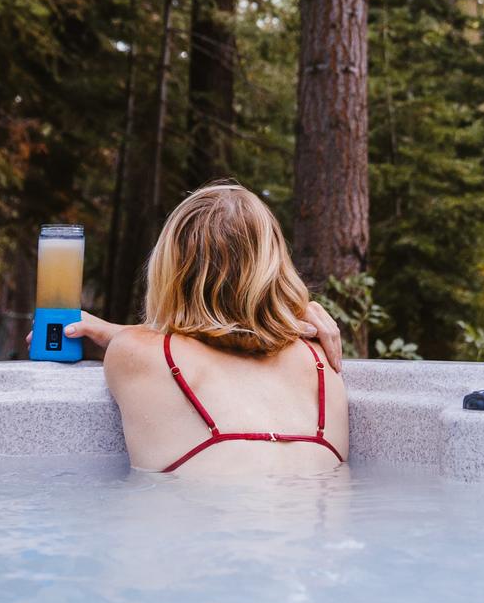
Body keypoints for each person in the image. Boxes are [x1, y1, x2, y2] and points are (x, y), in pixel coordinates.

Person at [61, 182, 349, 476]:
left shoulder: (135, 352)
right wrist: (286, 310)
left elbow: (170, 342)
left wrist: (113, 333)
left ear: (171, 269)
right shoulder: (322, 359)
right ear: (274, 267)